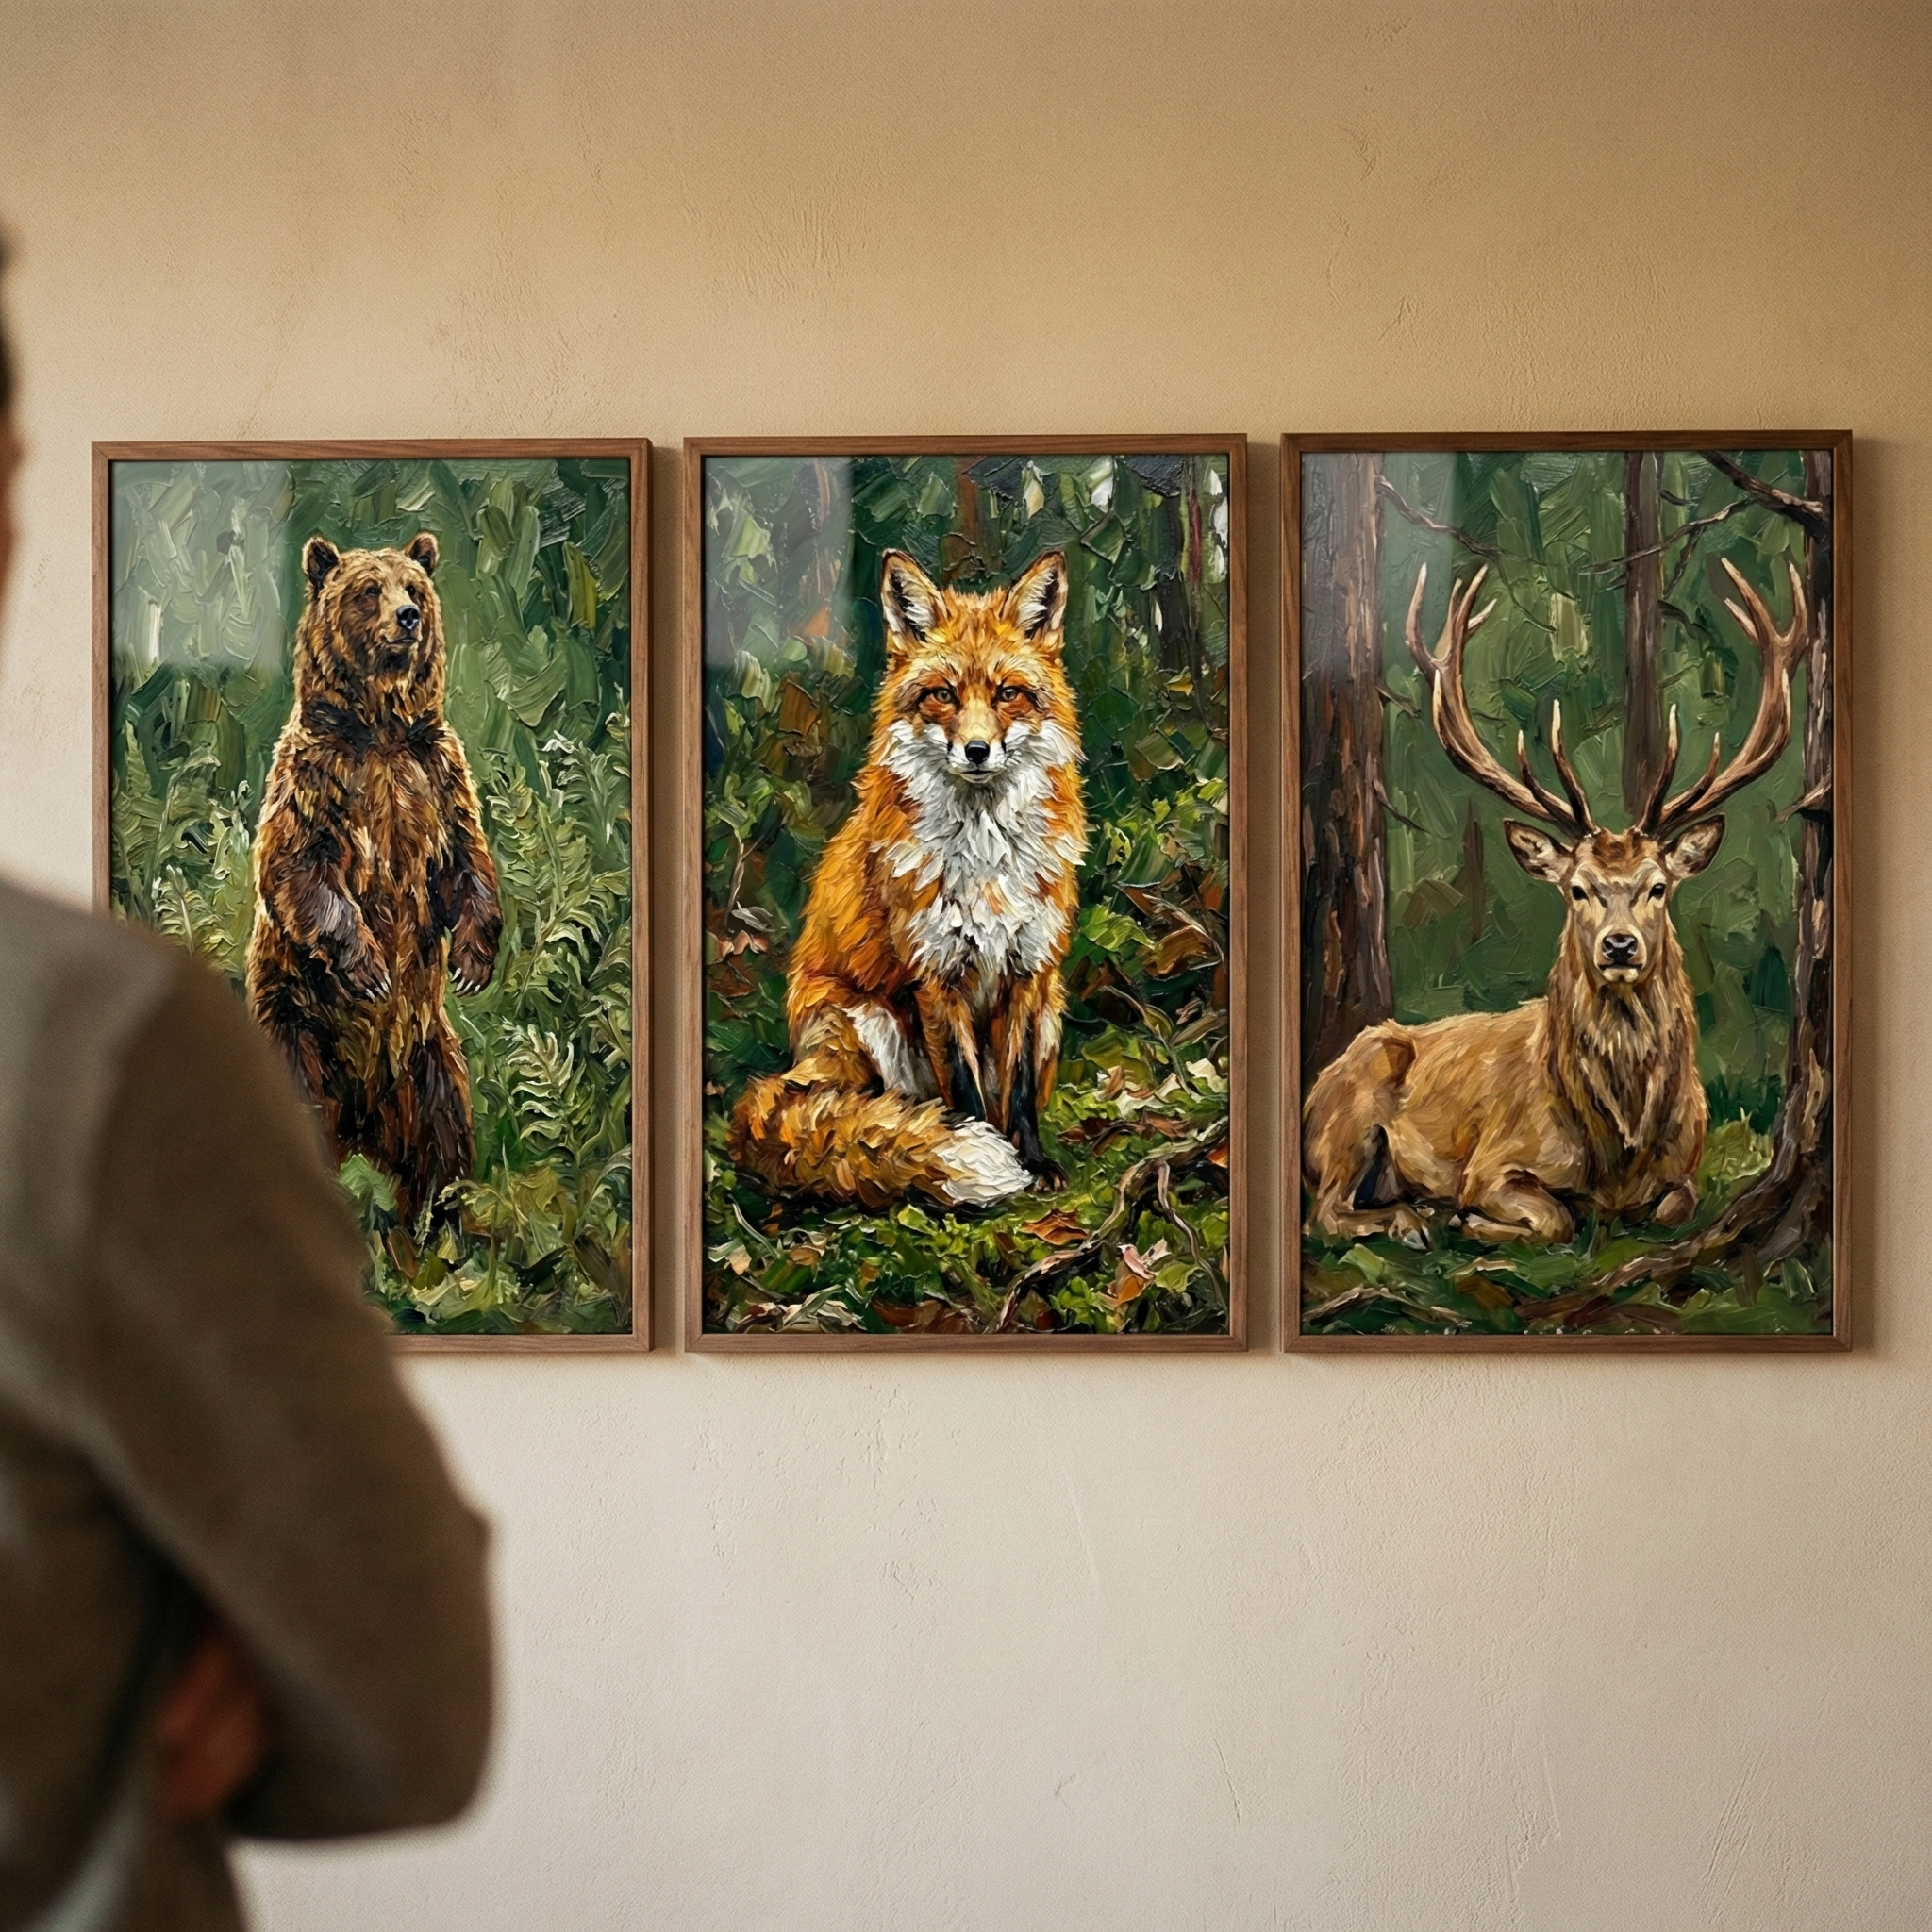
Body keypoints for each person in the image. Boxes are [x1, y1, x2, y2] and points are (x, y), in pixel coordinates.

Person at [0, 246, 492, 1929]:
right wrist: (183, 1617)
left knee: (439, 1121)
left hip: (406, 1034)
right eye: (375, 601)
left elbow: (470, 869)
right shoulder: (100, 1059)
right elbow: (415, 1680)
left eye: (413, 603)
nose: (400, 620)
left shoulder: (434, 758)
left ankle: (431, 1209)